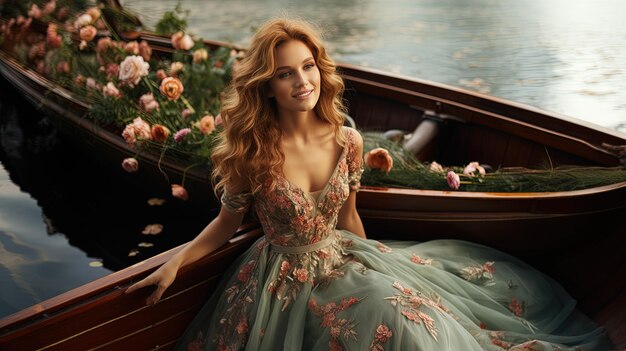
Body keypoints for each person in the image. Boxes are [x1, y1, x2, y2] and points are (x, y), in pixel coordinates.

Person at [126, 17, 609, 351]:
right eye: (285, 74)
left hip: (345, 256)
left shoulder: (348, 140)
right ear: (265, 86)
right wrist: (175, 264)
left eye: (309, 66)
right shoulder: (253, 153)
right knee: (393, 324)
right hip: (281, 283)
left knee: (411, 313)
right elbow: (225, 223)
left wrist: (381, 264)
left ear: (320, 68)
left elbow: (348, 216)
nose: (302, 81)